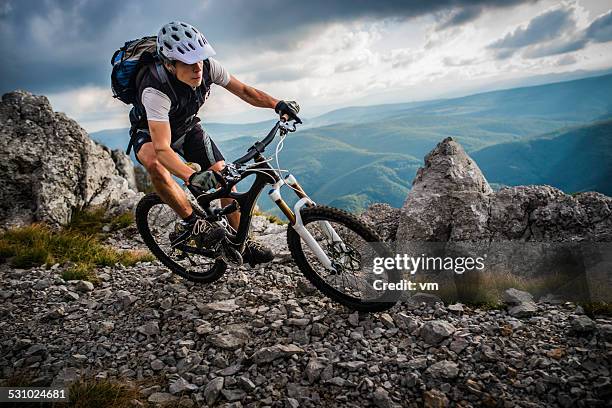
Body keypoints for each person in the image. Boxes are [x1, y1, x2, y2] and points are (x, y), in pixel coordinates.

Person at [129, 21, 300, 266]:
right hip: (151, 133)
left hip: (187, 127)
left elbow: (245, 91)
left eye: (199, 58)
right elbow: (162, 147)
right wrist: (191, 176)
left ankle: (243, 240)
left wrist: (278, 105)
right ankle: (193, 222)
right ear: (169, 64)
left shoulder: (208, 68)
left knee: (224, 174)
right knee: (154, 164)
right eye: (188, 62)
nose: (197, 67)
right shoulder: (155, 89)